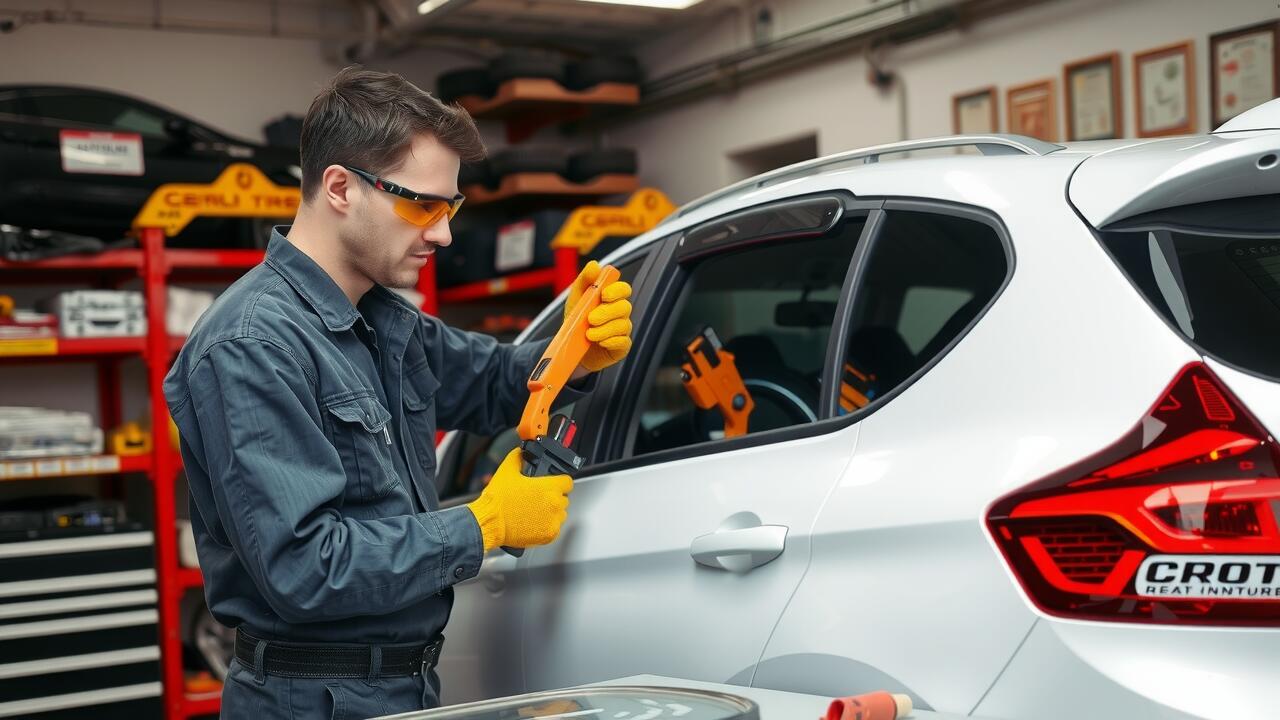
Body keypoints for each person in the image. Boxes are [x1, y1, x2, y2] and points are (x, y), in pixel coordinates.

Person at [163, 67, 633, 719]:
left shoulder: (390, 320)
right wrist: (483, 524)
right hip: (311, 701)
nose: (443, 233)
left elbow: (497, 382)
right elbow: (306, 567)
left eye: (452, 207)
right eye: (423, 204)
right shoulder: (253, 346)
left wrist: (575, 354)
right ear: (339, 189)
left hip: (403, 688)